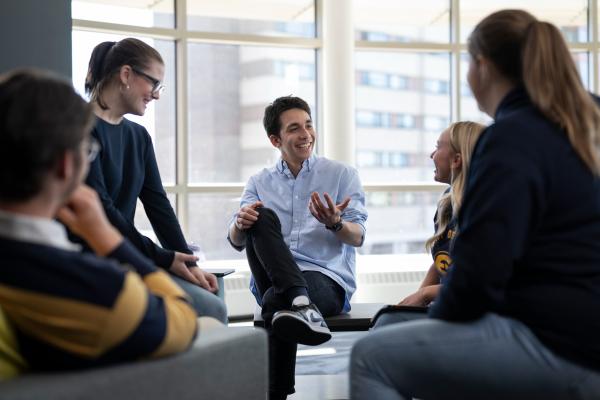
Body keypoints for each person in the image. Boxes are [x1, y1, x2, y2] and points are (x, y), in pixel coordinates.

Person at [351, 9, 600, 399]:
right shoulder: (588, 120)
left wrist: (433, 318)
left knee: (370, 356)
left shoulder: (510, 139)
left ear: (482, 66)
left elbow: (477, 279)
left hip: (560, 343)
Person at [0, 69, 203, 378]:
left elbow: (157, 201)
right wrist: (108, 239)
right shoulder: (98, 291)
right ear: (66, 165)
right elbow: (183, 318)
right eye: (87, 151)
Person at [227, 96, 367, 399]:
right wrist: (240, 223)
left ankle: (275, 393)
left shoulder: (342, 174)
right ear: (276, 139)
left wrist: (335, 223)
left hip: (325, 279)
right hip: (271, 274)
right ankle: (301, 303)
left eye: (309, 125)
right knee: (259, 216)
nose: (306, 134)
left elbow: (357, 237)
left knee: (275, 301)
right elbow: (236, 241)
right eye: (294, 128)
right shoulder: (259, 181)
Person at [81, 38, 226, 323]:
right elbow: (104, 212)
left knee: (211, 295)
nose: (156, 95)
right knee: (210, 309)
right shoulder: (80, 128)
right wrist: (163, 257)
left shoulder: (138, 137)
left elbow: (158, 204)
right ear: (126, 75)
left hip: (131, 255)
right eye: (154, 83)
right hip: (97, 259)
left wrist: (188, 262)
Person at [373, 121, 484, 328]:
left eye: (438, 147)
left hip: (474, 315)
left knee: (386, 324)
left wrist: (425, 294)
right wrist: (414, 300)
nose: (431, 155)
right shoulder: (447, 202)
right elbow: (441, 260)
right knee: (387, 319)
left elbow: (478, 285)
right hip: (448, 306)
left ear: (457, 160)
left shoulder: (484, 208)